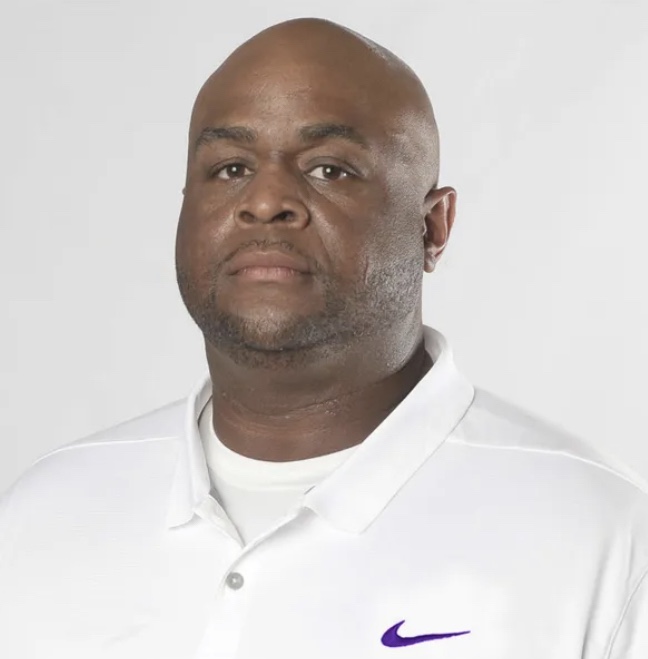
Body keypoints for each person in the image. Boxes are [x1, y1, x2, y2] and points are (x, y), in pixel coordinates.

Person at [0, 17, 646, 659]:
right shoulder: (43, 515)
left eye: (329, 169)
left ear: (433, 227)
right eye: (230, 168)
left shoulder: (603, 538)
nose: (265, 201)